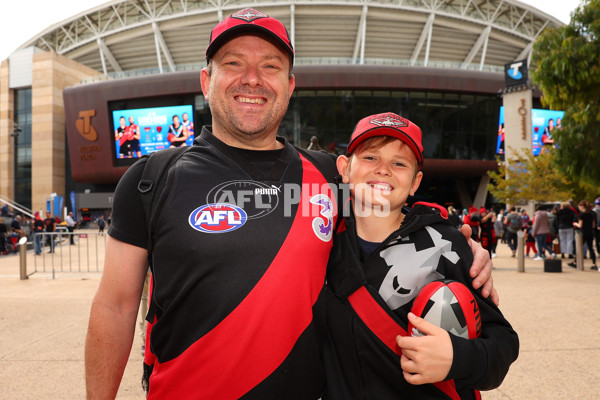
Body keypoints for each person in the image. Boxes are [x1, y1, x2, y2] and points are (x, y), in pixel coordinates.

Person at [85, 9, 496, 399]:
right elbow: (115, 306)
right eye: (232, 64)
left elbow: (400, 218)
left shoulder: (332, 179)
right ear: (207, 80)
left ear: (290, 85)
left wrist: (466, 248)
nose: (252, 79)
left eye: (270, 66)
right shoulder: (151, 179)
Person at [324, 113, 518, 399]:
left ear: (415, 183)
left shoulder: (447, 245)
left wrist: (457, 358)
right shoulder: (319, 240)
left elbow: (503, 343)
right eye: (370, 157)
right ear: (345, 168)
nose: (383, 170)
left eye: (399, 163)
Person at [573, 200, 597, 270]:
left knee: (579, 248)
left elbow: (580, 225)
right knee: (591, 248)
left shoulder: (582, 215)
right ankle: (594, 263)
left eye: (579, 206)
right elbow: (593, 225)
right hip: (590, 233)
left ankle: (575, 262)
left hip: (583, 233)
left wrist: (575, 224)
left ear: (582, 206)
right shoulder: (592, 214)